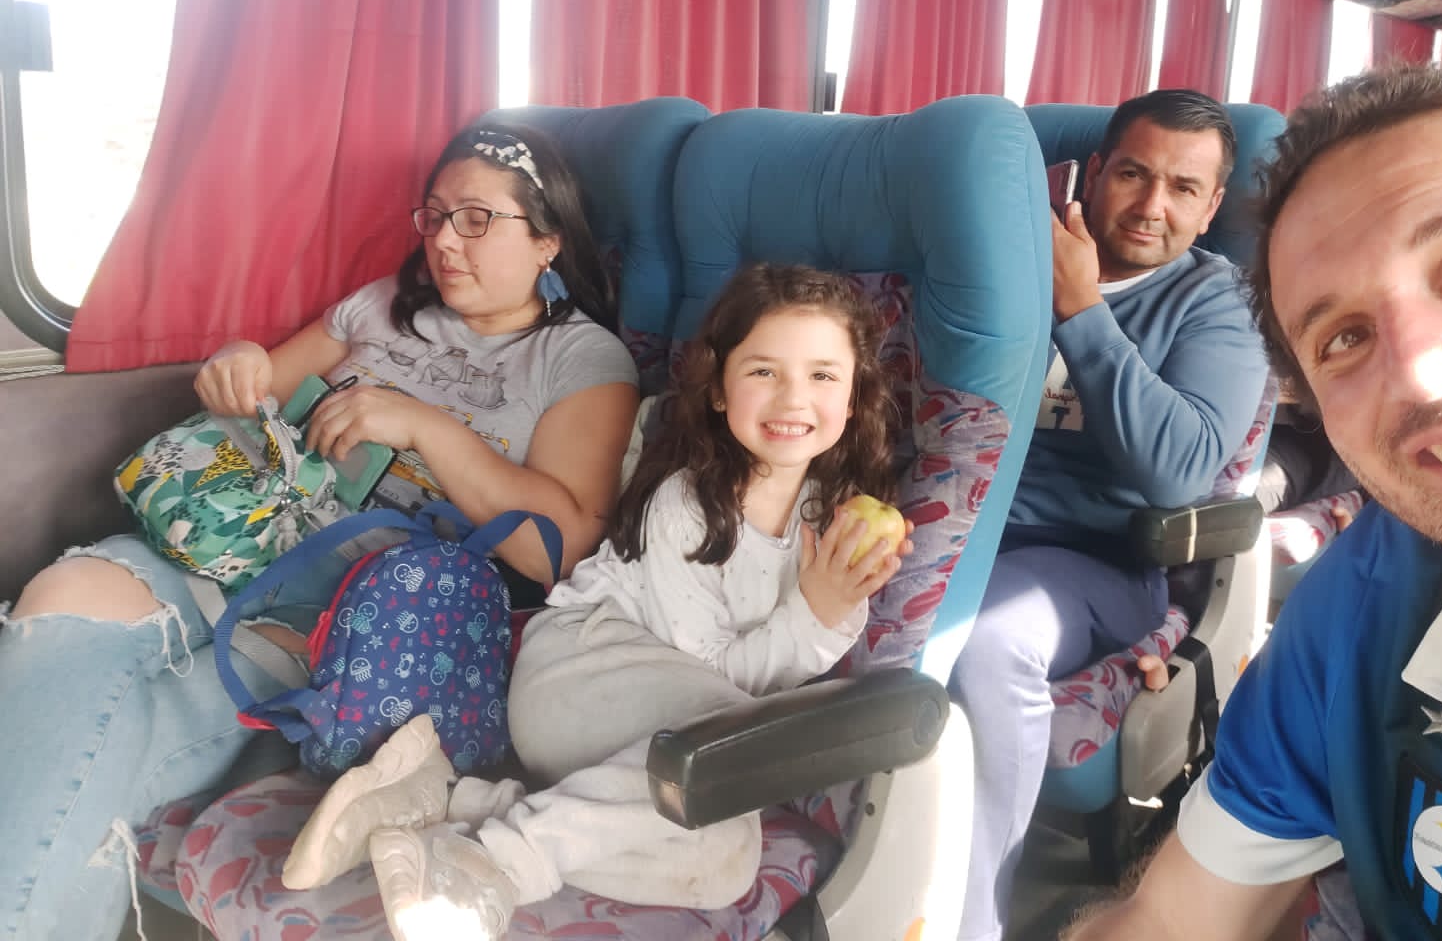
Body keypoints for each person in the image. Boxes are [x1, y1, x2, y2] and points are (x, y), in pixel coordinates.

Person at [0, 121, 640, 941]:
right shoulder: (381, 306)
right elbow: (261, 385)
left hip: (347, 612)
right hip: (238, 531)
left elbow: (562, 546)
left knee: (104, 741)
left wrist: (424, 427)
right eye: (435, 215)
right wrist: (238, 362)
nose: (446, 240)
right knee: (61, 596)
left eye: (477, 218)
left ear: (547, 240)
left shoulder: (579, 357)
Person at [1067, 65, 1442, 940]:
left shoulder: (1198, 303)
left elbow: (1179, 471)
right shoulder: (1364, 609)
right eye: (1345, 337)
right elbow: (1167, 923)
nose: (1423, 370)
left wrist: (1080, 311)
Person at [278, 263, 913, 940]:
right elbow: (718, 684)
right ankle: (491, 865)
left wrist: (837, 602)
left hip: (653, 748)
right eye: (764, 371)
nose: (793, 398)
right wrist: (817, 612)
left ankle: (447, 802)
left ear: (853, 398)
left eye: (823, 376)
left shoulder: (834, 515)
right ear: (719, 389)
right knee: (725, 757)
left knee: (726, 856)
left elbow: (768, 678)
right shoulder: (688, 504)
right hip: (580, 670)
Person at [948, 89, 1269, 941]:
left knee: (986, 644)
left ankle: (970, 920)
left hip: (1097, 562)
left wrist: (1082, 310)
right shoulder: (1008, 256)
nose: (1151, 205)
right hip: (954, 530)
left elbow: (1176, 471)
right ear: (1093, 174)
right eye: (1133, 173)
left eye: (1182, 188)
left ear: (1209, 209)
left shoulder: (1216, 304)